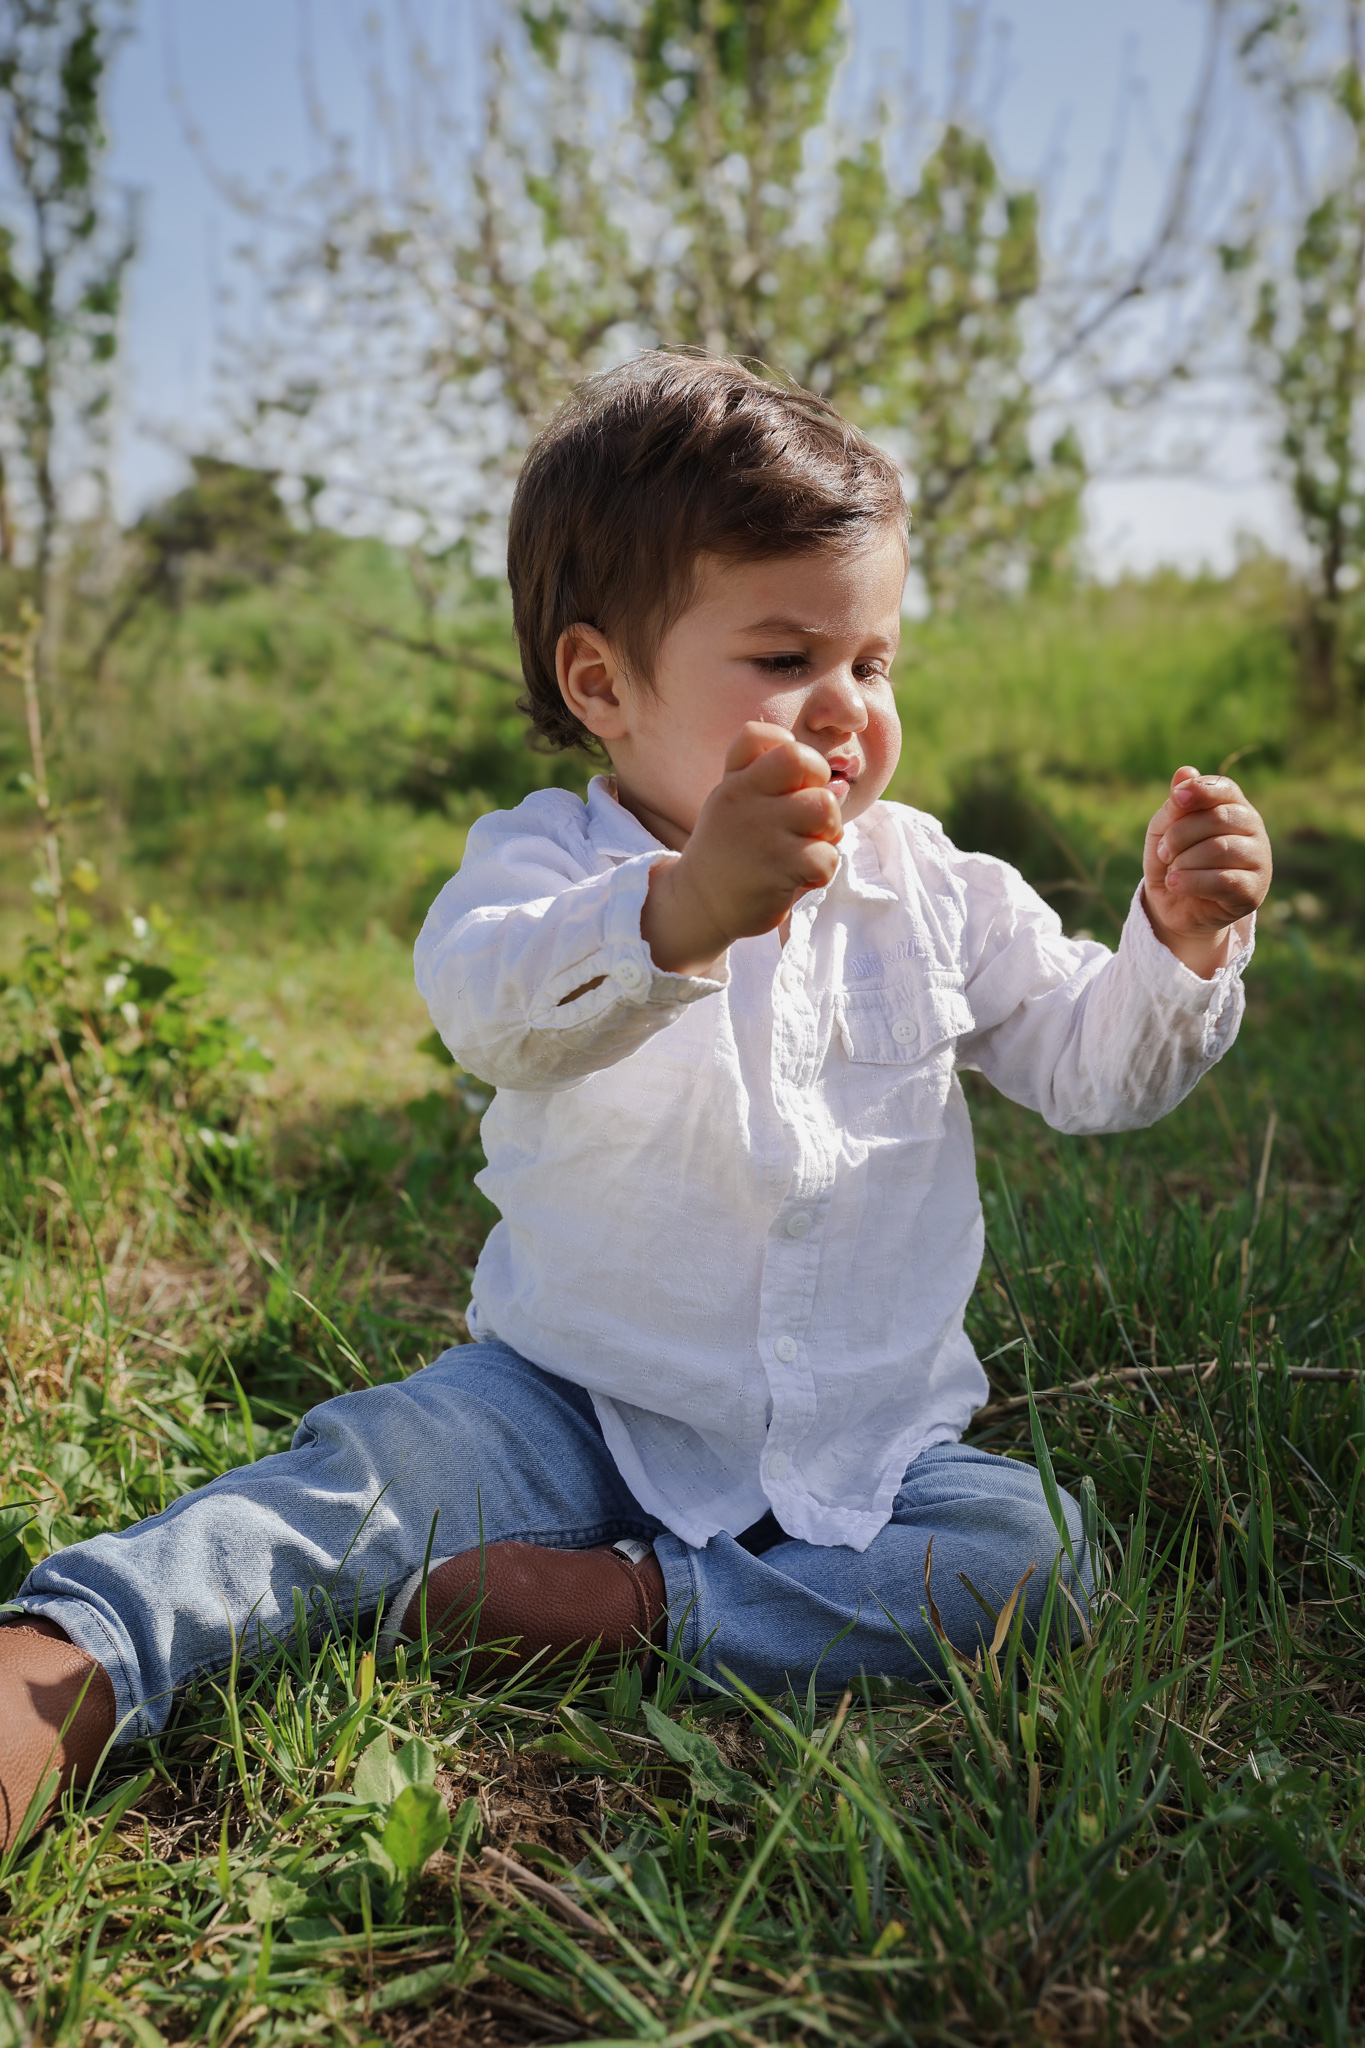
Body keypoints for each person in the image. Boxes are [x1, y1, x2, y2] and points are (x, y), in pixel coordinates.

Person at [0, 353, 1272, 1850]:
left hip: (867, 1441)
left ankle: (635, 1610)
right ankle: (74, 1661)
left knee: (1034, 1558)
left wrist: (1178, 948)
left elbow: (1090, 1068)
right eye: (784, 656)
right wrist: (682, 911)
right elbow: (488, 1009)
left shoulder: (934, 886)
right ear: (600, 681)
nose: (847, 709)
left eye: (873, 663)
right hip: (570, 1400)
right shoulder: (547, 862)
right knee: (362, 1483)